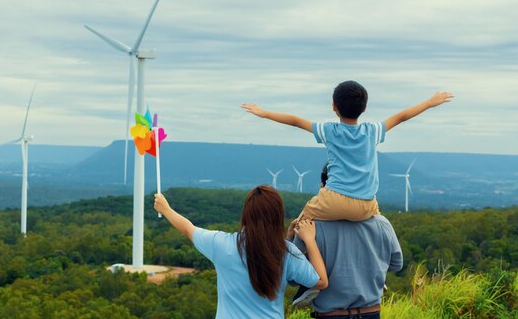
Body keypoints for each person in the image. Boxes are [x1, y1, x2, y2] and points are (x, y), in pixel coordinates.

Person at [242, 81, 453, 222]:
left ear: (334, 106)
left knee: (299, 224)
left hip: (334, 200)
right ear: (365, 108)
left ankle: (290, 259)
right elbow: (401, 117)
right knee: (380, 230)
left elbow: (296, 121)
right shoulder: (372, 131)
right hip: (367, 205)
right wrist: (429, 103)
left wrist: (264, 113)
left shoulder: (330, 131)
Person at [154, 185, 328, 319]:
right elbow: (320, 281)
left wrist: (165, 209)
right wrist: (309, 240)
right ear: (277, 217)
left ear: (246, 214)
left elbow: (188, 229)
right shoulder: (286, 252)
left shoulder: (221, 245)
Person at [292, 163, 403, 318]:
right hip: (371, 313)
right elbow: (396, 264)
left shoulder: (308, 227)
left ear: (323, 187)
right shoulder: (382, 223)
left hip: (331, 315)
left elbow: (293, 276)